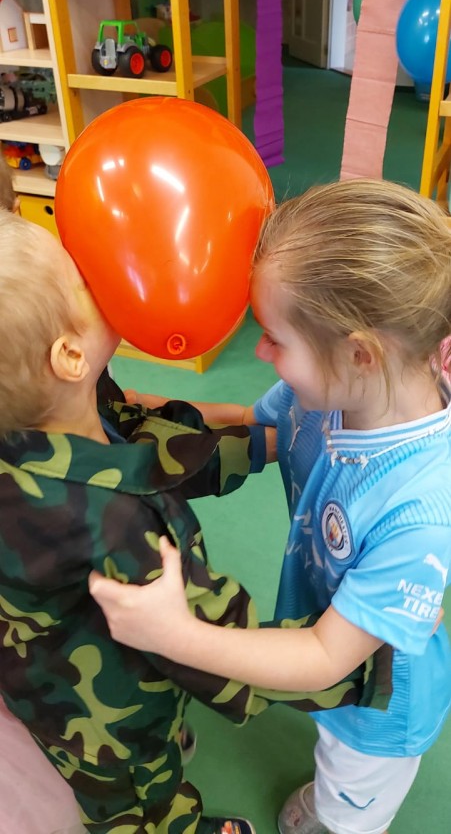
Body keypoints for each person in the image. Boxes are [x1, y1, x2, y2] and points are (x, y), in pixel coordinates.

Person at [0, 210, 388, 834]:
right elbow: (207, 637)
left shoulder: (48, 410)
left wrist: (261, 442)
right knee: (139, 798)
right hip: (103, 712)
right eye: (82, 279)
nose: (102, 274)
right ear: (69, 354)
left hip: (36, 660)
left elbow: (143, 439)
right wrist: (359, 668)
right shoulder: (113, 520)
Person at [89, 178, 451, 834]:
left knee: (346, 791)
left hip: (377, 706)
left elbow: (325, 658)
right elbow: (255, 427)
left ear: (359, 354)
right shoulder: (335, 392)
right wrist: (140, 408)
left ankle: (338, 817)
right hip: (328, 636)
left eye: (274, 338)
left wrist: (176, 636)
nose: (259, 352)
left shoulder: (419, 512)